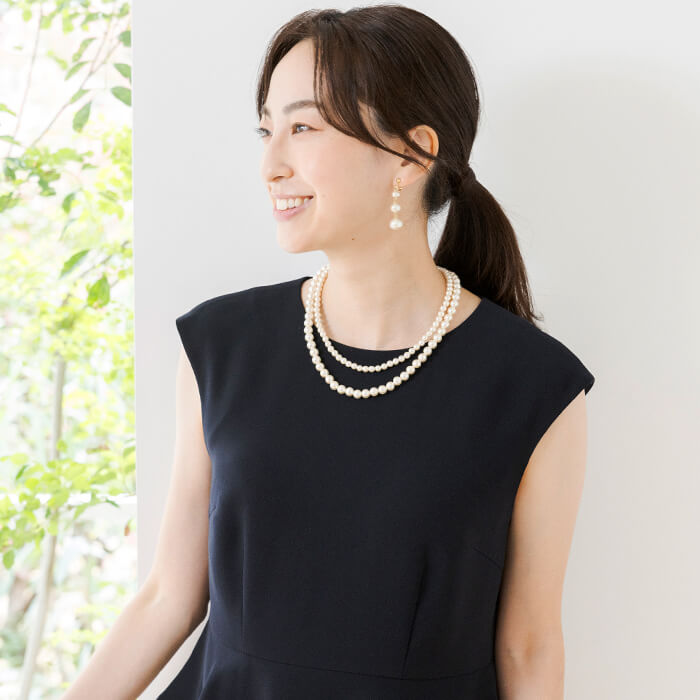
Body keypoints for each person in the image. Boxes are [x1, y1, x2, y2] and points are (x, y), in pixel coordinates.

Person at [63, 6, 594, 700]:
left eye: (304, 128)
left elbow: (529, 646)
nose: (271, 165)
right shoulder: (222, 347)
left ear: (411, 155)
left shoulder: (533, 388)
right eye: (267, 130)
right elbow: (169, 596)